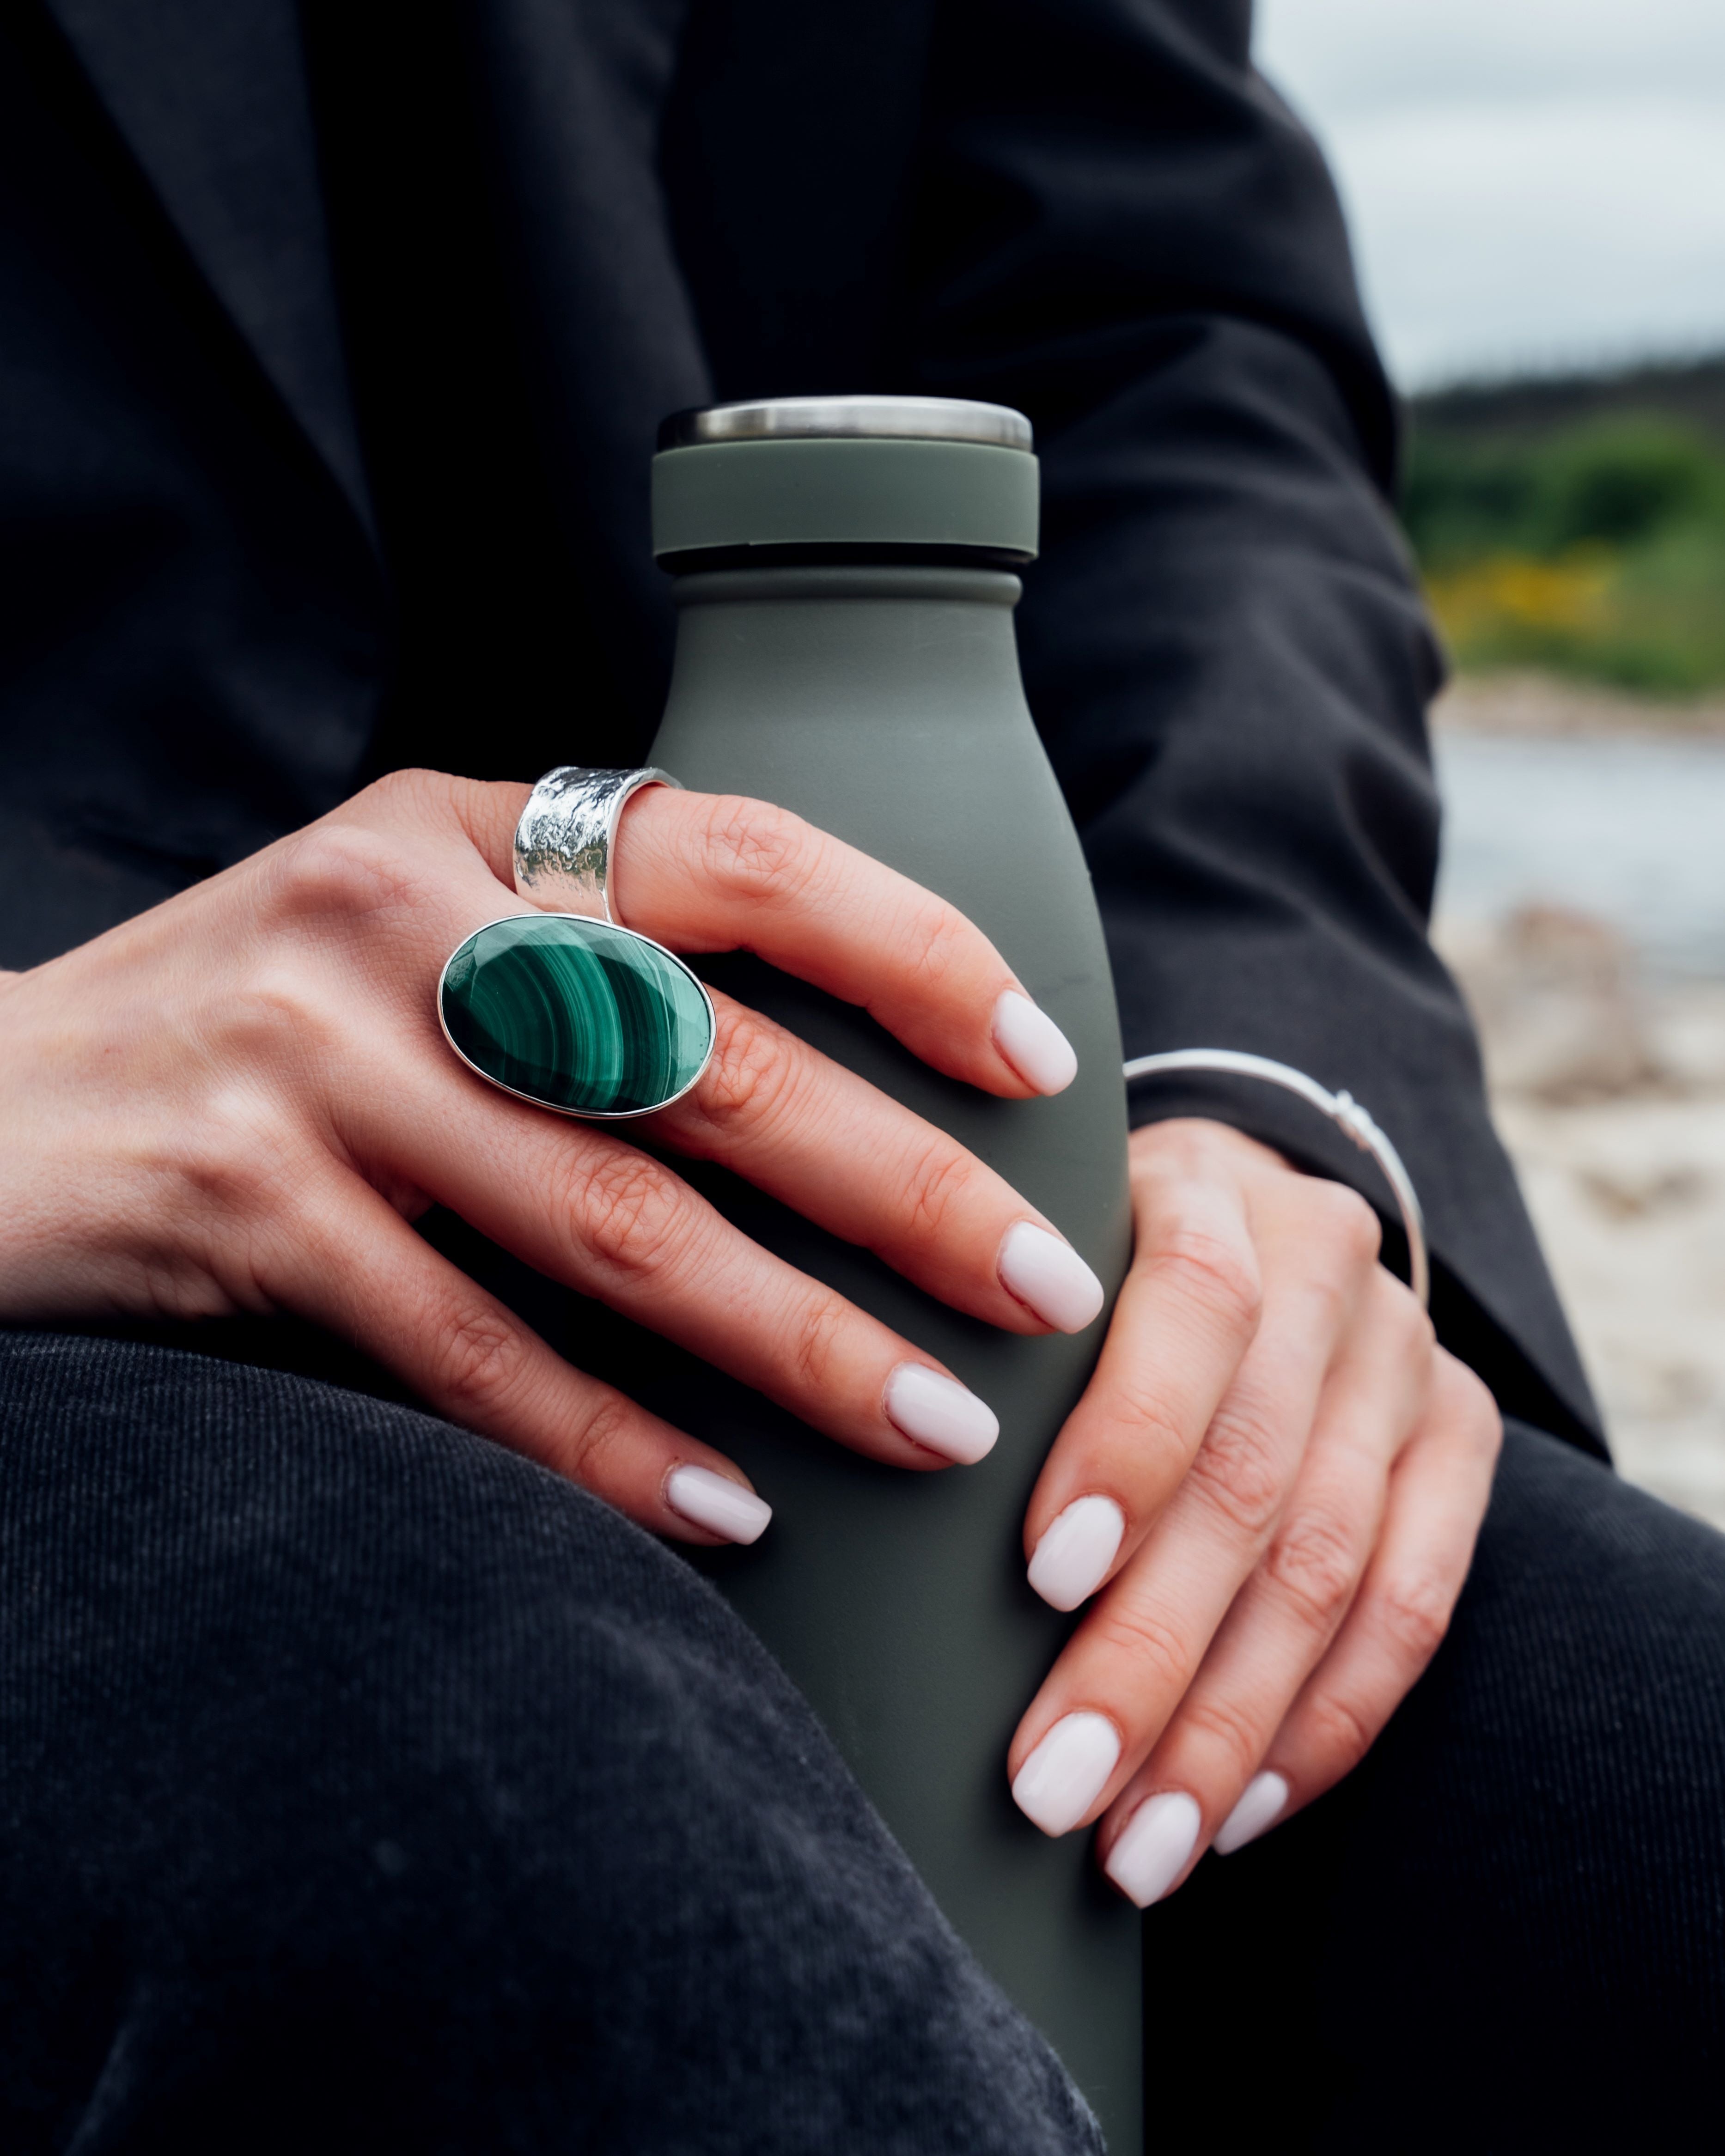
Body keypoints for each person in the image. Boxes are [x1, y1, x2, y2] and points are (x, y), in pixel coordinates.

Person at [0, 0, 1720, 2147]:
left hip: (882, 1178)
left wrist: (1246, 1099)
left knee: (1668, 1817)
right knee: (562, 1895)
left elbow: (1159, 320)